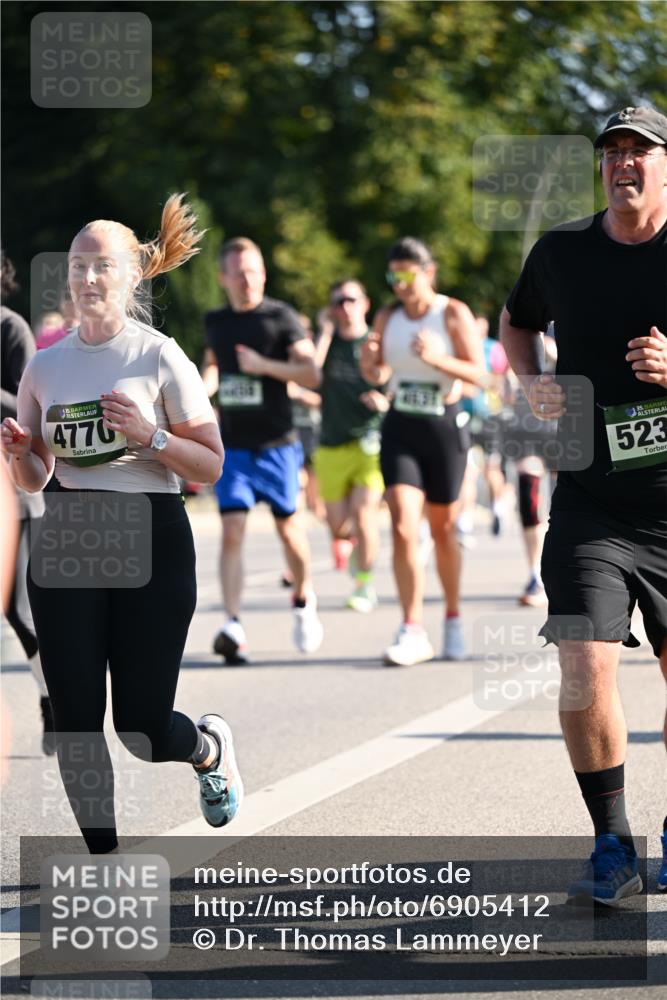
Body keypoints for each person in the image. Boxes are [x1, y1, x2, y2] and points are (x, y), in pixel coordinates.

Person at [1, 194, 243, 852]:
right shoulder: (45, 367)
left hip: (151, 533)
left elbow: (212, 465)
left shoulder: (160, 357)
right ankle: (102, 856)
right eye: (77, 266)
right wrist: (22, 454)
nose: (85, 278)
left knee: (140, 727)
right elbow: (35, 478)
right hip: (69, 534)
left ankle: (206, 749)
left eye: (101, 265)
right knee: (77, 719)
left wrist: (151, 435)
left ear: (133, 273)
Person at [500, 106, 667, 902]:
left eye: (639, 151)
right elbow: (517, 320)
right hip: (590, 503)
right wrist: (532, 381)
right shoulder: (561, 251)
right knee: (582, 663)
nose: (623, 163)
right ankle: (610, 843)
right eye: (612, 152)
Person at [361, 237, 484, 666]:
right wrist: (370, 360)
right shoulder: (388, 314)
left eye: (407, 275)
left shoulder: (451, 313)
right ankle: (412, 627)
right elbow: (375, 373)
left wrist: (438, 359)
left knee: (444, 529)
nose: (399, 285)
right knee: (401, 525)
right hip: (401, 427)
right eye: (392, 276)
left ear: (428, 274)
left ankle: (451, 617)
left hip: (443, 428)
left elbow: (480, 375)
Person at [201, 237, 323, 664]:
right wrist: (203, 387)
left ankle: (304, 598)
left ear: (263, 273)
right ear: (223, 278)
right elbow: (215, 362)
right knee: (232, 529)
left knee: (289, 529)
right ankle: (233, 623)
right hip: (233, 444)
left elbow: (311, 372)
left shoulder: (281, 317)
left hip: (277, 444)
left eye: (253, 271)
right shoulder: (215, 320)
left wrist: (264, 366)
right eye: (237, 272)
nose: (246, 279)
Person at [1, 252, 53, 753]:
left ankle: (50, 695)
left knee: (20, 611)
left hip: (14, 486)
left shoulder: (11, 329)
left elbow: (28, 407)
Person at [312, 279, 388, 613]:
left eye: (351, 300)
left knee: (364, 514)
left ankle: (364, 585)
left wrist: (384, 404)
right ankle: (357, 551)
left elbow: (396, 380)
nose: (345, 306)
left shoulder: (375, 342)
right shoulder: (327, 346)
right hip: (331, 444)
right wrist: (324, 334)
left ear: (365, 303)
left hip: (368, 442)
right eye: (338, 301)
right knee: (339, 526)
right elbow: (311, 375)